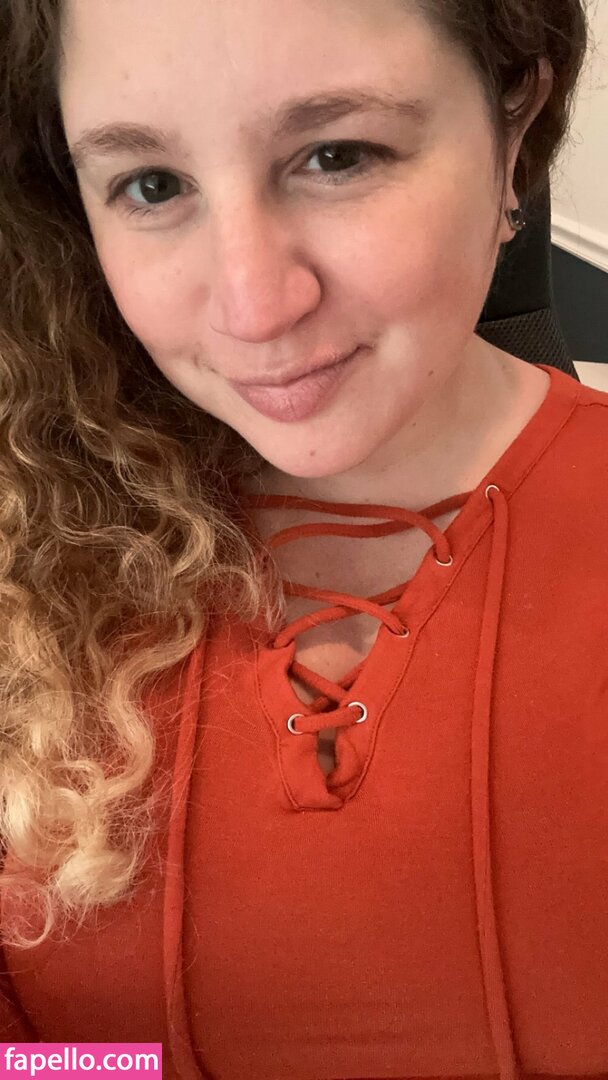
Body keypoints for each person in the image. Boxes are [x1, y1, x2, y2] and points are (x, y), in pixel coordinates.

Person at [0, 1, 605, 1079]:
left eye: (337, 155)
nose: (255, 308)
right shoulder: (27, 550)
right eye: (152, 184)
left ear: (513, 128)